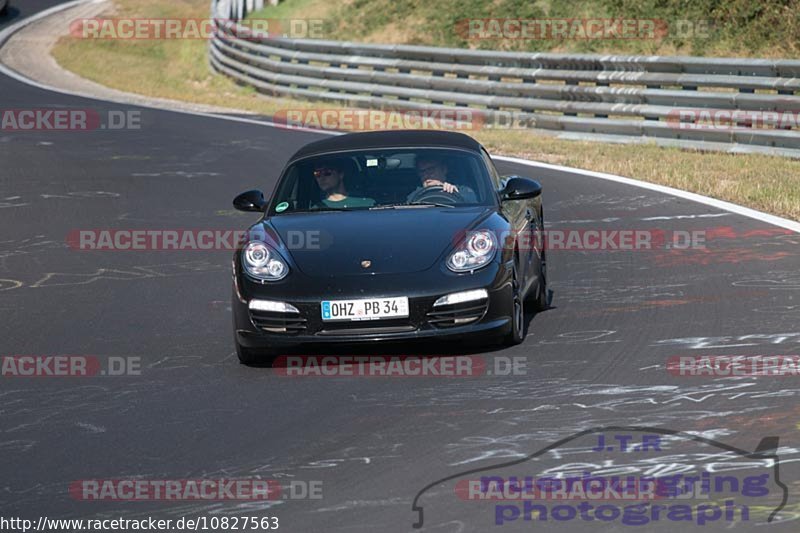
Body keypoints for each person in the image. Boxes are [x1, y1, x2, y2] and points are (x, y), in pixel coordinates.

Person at [408, 155, 477, 203]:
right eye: (422, 171)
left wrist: (455, 194)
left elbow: (474, 209)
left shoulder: (463, 191)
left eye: (430, 169)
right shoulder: (414, 196)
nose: (426, 175)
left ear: (444, 170)